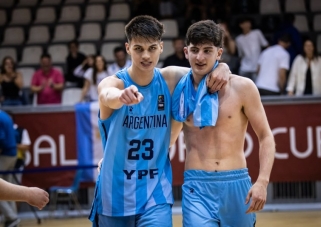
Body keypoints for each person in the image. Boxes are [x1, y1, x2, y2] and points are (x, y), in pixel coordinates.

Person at [89, 15, 229, 227]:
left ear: (161, 47)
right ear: (128, 48)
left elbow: (203, 68)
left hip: (155, 195)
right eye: (138, 49)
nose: (146, 55)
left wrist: (222, 67)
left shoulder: (170, 79)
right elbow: (105, 93)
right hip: (114, 194)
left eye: (152, 48)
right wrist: (120, 97)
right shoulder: (115, 83)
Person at [171, 20, 275, 226]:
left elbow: (266, 136)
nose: (200, 57)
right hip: (196, 186)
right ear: (185, 52)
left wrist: (262, 182)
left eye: (207, 51)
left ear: (219, 53)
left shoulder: (243, 87)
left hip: (236, 184)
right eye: (195, 50)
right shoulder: (176, 86)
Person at [0, 110, 20, 227]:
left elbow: (1, 139)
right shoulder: (5, 115)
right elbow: (15, 134)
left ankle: (11, 217)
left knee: (2, 188)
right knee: (9, 187)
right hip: (13, 153)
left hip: (5, 154)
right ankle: (14, 218)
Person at [236, 17, 268, 81]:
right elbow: (240, 55)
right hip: (244, 68)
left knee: (256, 88)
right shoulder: (238, 39)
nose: (247, 25)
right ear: (241, 25)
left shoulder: (257, 33)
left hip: (256, 68)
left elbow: (266, 46)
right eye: (245, 23)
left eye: (248, 23)